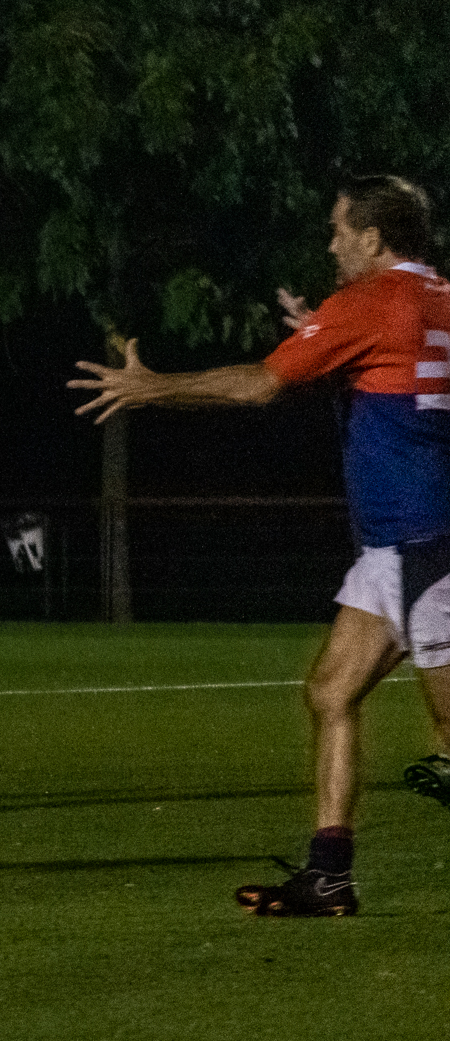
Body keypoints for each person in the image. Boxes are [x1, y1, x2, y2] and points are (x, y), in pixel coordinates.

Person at [70, 175, 450, 917]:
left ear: (374, 238)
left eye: (341, 228)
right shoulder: (436, 295)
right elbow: (401, 374)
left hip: (423, 541)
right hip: (395, 545)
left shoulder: (371, 302)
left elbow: (260, 385)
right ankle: (329, 875)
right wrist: (329, 330)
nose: (332, 241)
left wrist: (154, 387)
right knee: (331, 691)